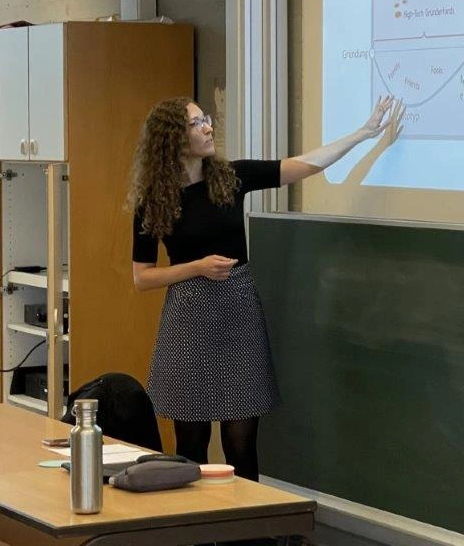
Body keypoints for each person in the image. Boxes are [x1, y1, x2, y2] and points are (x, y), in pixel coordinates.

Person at [127, 94, 399, 481]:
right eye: (197, 123)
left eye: (206, 119)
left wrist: (363, 133)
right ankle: (196, 519)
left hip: (238, 310)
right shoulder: (154, 200)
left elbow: (304, 165)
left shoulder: (231, 177)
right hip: (188, 319)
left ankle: (247, 519)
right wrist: (196, 268)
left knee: (240, 441)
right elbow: (142, 277)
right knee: (192, 442)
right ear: (172, 137)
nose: (208, 127)